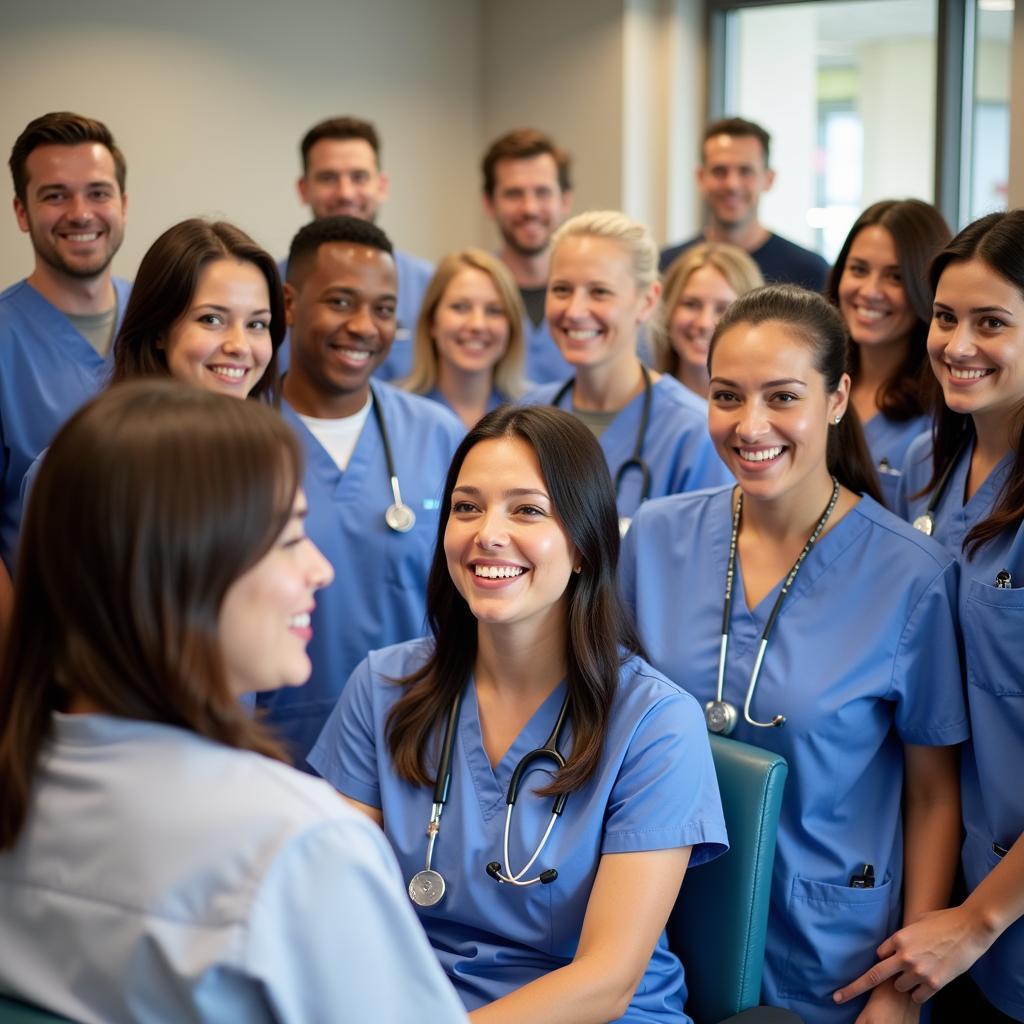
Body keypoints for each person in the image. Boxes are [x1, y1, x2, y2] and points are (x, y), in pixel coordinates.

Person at [0, 380, 468, 1024]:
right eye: (290, 539)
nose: (321, 570)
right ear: (179, 569)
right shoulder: (298, 847)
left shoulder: (23, 786)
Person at [309, 404, 727, 1022]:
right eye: (466, 507)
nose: (487, 534)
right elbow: (333, 906)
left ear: (584, 544)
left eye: (527, 509)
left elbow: (607, 980)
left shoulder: (656, 723)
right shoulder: (383, 686)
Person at [621, 285, 967, 1023]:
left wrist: (900, 985)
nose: (752, 426)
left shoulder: (911, 576)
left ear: (838, 397)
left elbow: (934, 794)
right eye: (726, 396)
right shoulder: (654, 538)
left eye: (783, 397)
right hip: (655, 922)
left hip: (829, 949)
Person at [843, 210, 1024, 1022]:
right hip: (950, 891)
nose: (957, 344)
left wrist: (981, 918)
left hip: (997, 912)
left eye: (992, 323)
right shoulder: (930, 462)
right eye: (947, 317)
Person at [256, 215, 464, 765]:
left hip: (411, 737)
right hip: (270, 743)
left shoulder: (437, 433)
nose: (365, 326)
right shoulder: (240, 438)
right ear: (290, 304)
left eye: (384, 309)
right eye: (341, 302)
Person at [523, 211, 730, 532]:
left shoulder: (693, 435)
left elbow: (707, 571)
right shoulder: (525, 418)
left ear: (647, 301)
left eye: (599, 292)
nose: (575, 311)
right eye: (562, 289)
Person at [1, 112, 131, 582]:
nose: (80, 213)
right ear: (21, 212)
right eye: (55, 195)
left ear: (123, 204)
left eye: (98, 193)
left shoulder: (169, 317)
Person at [825, 199, 951, 507]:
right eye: (858, 269)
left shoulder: (943, 411)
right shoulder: (816, 381)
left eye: (895, 276)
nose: (869, 291)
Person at [289, 115, 434, 380]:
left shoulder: (429, 285)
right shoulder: (269, 285)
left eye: (359, 177)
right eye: (328, 177)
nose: (345, 193)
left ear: (382, 186)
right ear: (303, 189)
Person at [659, 118, 829, 292]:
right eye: (719, 171)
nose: (732, 184)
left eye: (745, 171)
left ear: (769, 179)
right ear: (700, 178)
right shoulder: (667, 267)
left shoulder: (810, 273)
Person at [481, 128, 574, 383]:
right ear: (489, 203)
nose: (530, 208)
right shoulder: (470, 296)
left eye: (542, 192)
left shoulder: (595, 300)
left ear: (565, 201)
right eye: (513, 194)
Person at [404, 248, 527, 428]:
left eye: (494, 310)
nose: (477, 325)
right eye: (460, 307)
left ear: (511, 327)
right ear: (432, 321)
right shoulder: (396, 414)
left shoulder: (531, 413)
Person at [651, 241, 763, 399]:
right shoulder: (641, 404)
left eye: (722, 309)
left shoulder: (767, 413)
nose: (704, 323)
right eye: (691, 304)